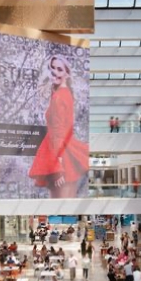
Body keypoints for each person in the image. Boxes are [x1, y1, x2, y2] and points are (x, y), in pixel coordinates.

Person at [28, 55, 88, 198]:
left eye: (59, 69)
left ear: (67, 74)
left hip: (59, 155)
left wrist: (58, 166)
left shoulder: (60, 96)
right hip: (60, 151)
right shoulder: (65, 94)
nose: (54, 72)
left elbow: (60, 130)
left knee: (61, 202)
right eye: (52, 68)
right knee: (63, 202)